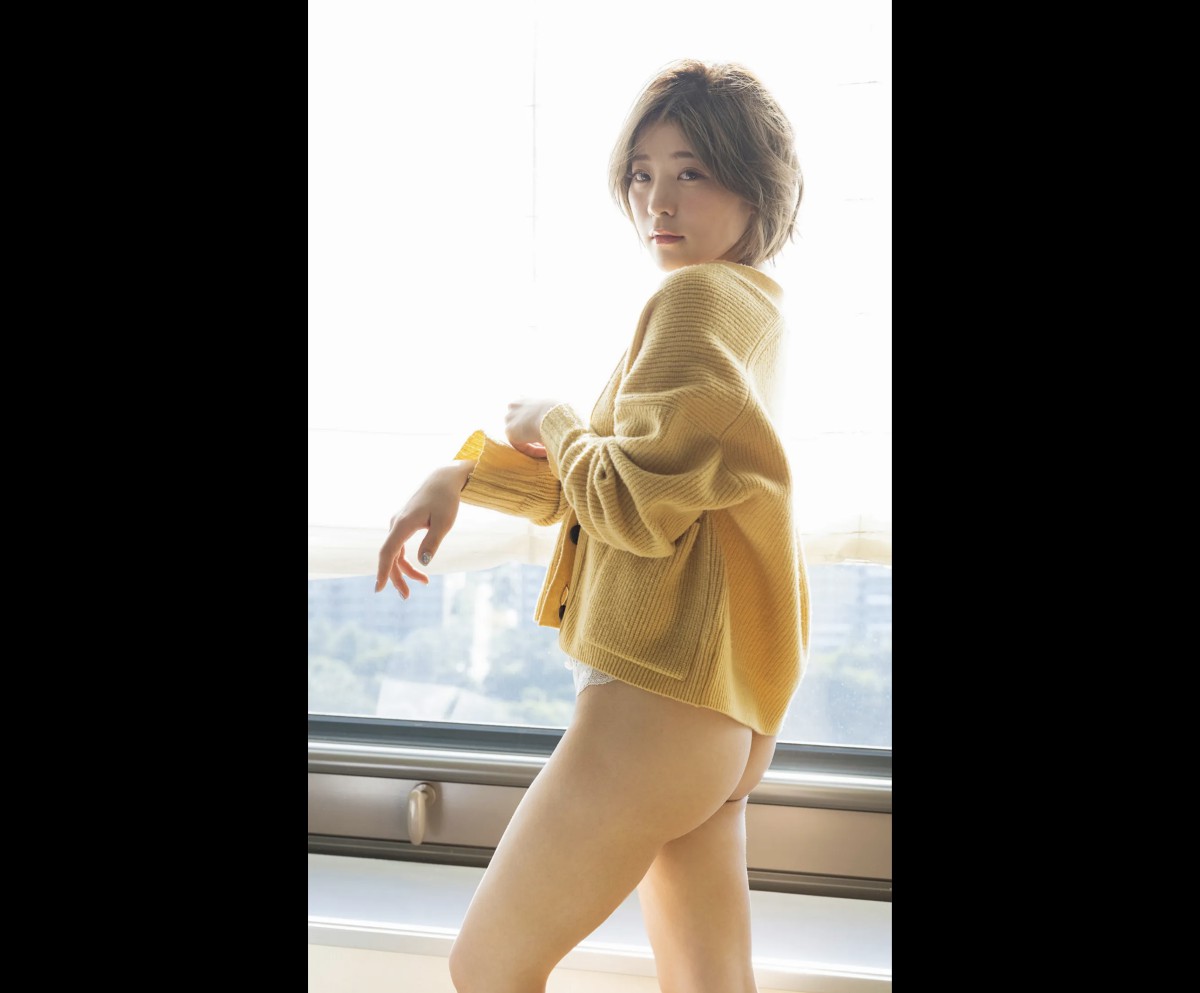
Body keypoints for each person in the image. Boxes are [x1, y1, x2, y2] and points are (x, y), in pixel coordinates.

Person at [376, 57, 810, 993]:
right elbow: (642, 490)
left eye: (692, 171)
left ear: (755, 185)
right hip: (716, 711)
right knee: (709, 984)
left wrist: (557, 419)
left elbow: (631, 505)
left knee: (488, 965)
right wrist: (465, 473)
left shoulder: (693, 302)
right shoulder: (753, 310)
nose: (659, 200)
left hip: (655, 704)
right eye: (642, 173)